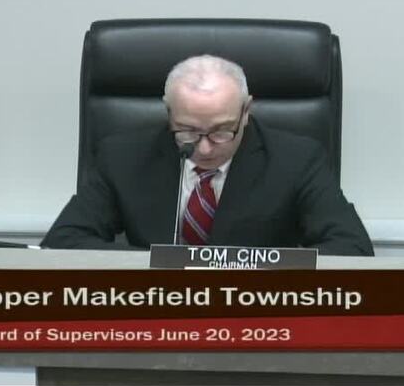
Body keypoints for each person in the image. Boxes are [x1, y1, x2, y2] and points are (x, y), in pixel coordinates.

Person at [41, 55, 373, 256]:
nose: (204, 148)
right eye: (187, 131)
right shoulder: (122, 156)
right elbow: (63, 242)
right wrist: (157, 267)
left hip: (256, 316)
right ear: (168, 114)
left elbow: (352, 248)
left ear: (246, 111)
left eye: (222, 131)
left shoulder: (297, 159)